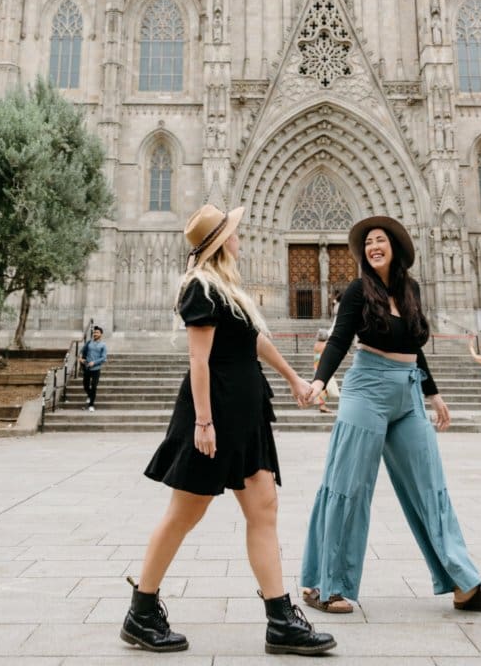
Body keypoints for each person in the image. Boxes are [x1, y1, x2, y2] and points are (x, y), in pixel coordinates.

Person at [120, 204, 335, 656]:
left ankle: (281, 619)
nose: (240, 237)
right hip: (214, 415)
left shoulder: (229, 290)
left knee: (264, 508)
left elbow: (253, 340)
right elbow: (198, 359)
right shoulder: (199, 287)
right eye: (234, 233)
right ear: (220, 243)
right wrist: (203, 422)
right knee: (185, 513)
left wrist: (293, 377)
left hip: (247, 413)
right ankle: (141, 612)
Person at [300, 215, 481, 616]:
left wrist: (434, 396)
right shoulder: (356, 291)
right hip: (366, 388)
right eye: (367, 243)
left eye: (379, 240)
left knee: (431, 487)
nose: (372, 246)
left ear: (395, 247)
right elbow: (339, 339)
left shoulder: (411, 290)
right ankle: (325, 584)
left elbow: (415, 347)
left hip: (408, 389)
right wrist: (318, 382)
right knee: (349, 486)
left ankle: (465, 584)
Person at [79, 325, 107, 411]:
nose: (95, 334)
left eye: (97, 332)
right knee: (85, 385)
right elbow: (81, 352)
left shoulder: (103, 345)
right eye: (94, 332)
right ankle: (90, 395)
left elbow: (103, 358)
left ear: (101, 334)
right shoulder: (88, 343)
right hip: (87, 368)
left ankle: (91, 405)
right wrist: (80, 359)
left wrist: (94, 362)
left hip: (96, 369)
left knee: (94, 386)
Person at [312, 329, 338, 413]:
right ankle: (322, 405)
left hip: (317, 368)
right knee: (326, 388)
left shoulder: (316, 345)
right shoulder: (326, 345)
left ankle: (322, 405)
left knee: (323, 388)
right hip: (324, 368)